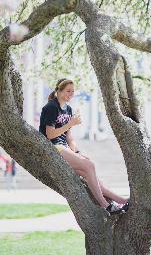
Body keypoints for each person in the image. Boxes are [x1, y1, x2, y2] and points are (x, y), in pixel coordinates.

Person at [39, 78, 128, 215]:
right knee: (90, 166)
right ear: (59, 91)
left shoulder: (68, 109)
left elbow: (69, 137)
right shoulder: (51, 107)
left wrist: (78, 153)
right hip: (52, 148)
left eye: (73, 91)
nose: (71, 94)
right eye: (68, 91)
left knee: (91, 174)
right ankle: (105, 205)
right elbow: (50, 135)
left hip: (64, 148)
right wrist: (71, 123)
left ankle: (122, 201)